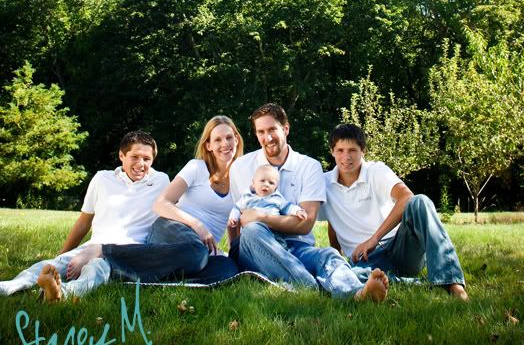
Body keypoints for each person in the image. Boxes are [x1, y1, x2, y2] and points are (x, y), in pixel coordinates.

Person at [229, 103, 390, 302]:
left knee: (328, 255)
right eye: (260, 132)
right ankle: (309, 284)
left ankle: (358, 294)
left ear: (285, 129)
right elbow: (238, 217)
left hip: (298, 246)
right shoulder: (241, 167)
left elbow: (304, 225)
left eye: (272, 129)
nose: (267, 137)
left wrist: (261, 216)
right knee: (253, 230)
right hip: (257, 245)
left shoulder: (309, 167)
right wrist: (235, 253)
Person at [68, 115, 244, 285]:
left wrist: (233, 253)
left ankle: (134, 274)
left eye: (229, 138)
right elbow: (161, 203)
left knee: (227, 269)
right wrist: (197, 225)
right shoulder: (196, 167)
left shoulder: (241, 179)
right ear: (208, 145)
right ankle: (104, 251)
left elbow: (234, 222)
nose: (225, 144)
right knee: (196, 254)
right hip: (172, 229)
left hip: (200, 248)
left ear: (236, 139)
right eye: (217, 139)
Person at [0, 131, 170, 301]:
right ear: (121, 155)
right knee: (52, 265)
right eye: (135, 157)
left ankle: (62, 293)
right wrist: (62, 256)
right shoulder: (102, 179)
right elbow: (84, 222)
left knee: (97, 268)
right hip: (92, 247)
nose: (141, 164)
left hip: (127, 252)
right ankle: (8, 286)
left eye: (147, 159)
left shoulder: (161, 181)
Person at [321, 123, 468, 300]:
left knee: (420, 202)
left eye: (352, 150)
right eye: (340, 150)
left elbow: (406, 197)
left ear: (363, 151)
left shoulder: (376, 171)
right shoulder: (323, 183)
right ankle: (416, 284)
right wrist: (337, 254)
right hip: (365, 261)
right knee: (348, 276)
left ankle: (452, 283)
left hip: (400, 247)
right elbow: (333, 220)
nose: (346, 157)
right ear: (332, 151)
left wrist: (374, 239)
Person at [228, 164, 307, 229]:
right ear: (253, 183)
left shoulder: (276, 199)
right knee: (250, 231)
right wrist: (233, 218)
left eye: (271, 183)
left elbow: (289, 207)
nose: (266, 184)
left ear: (275, 187)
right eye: (262, 181)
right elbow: (237, 208)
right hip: (250, 232)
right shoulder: (247, 197)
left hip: (271, 233)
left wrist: (298, 211)